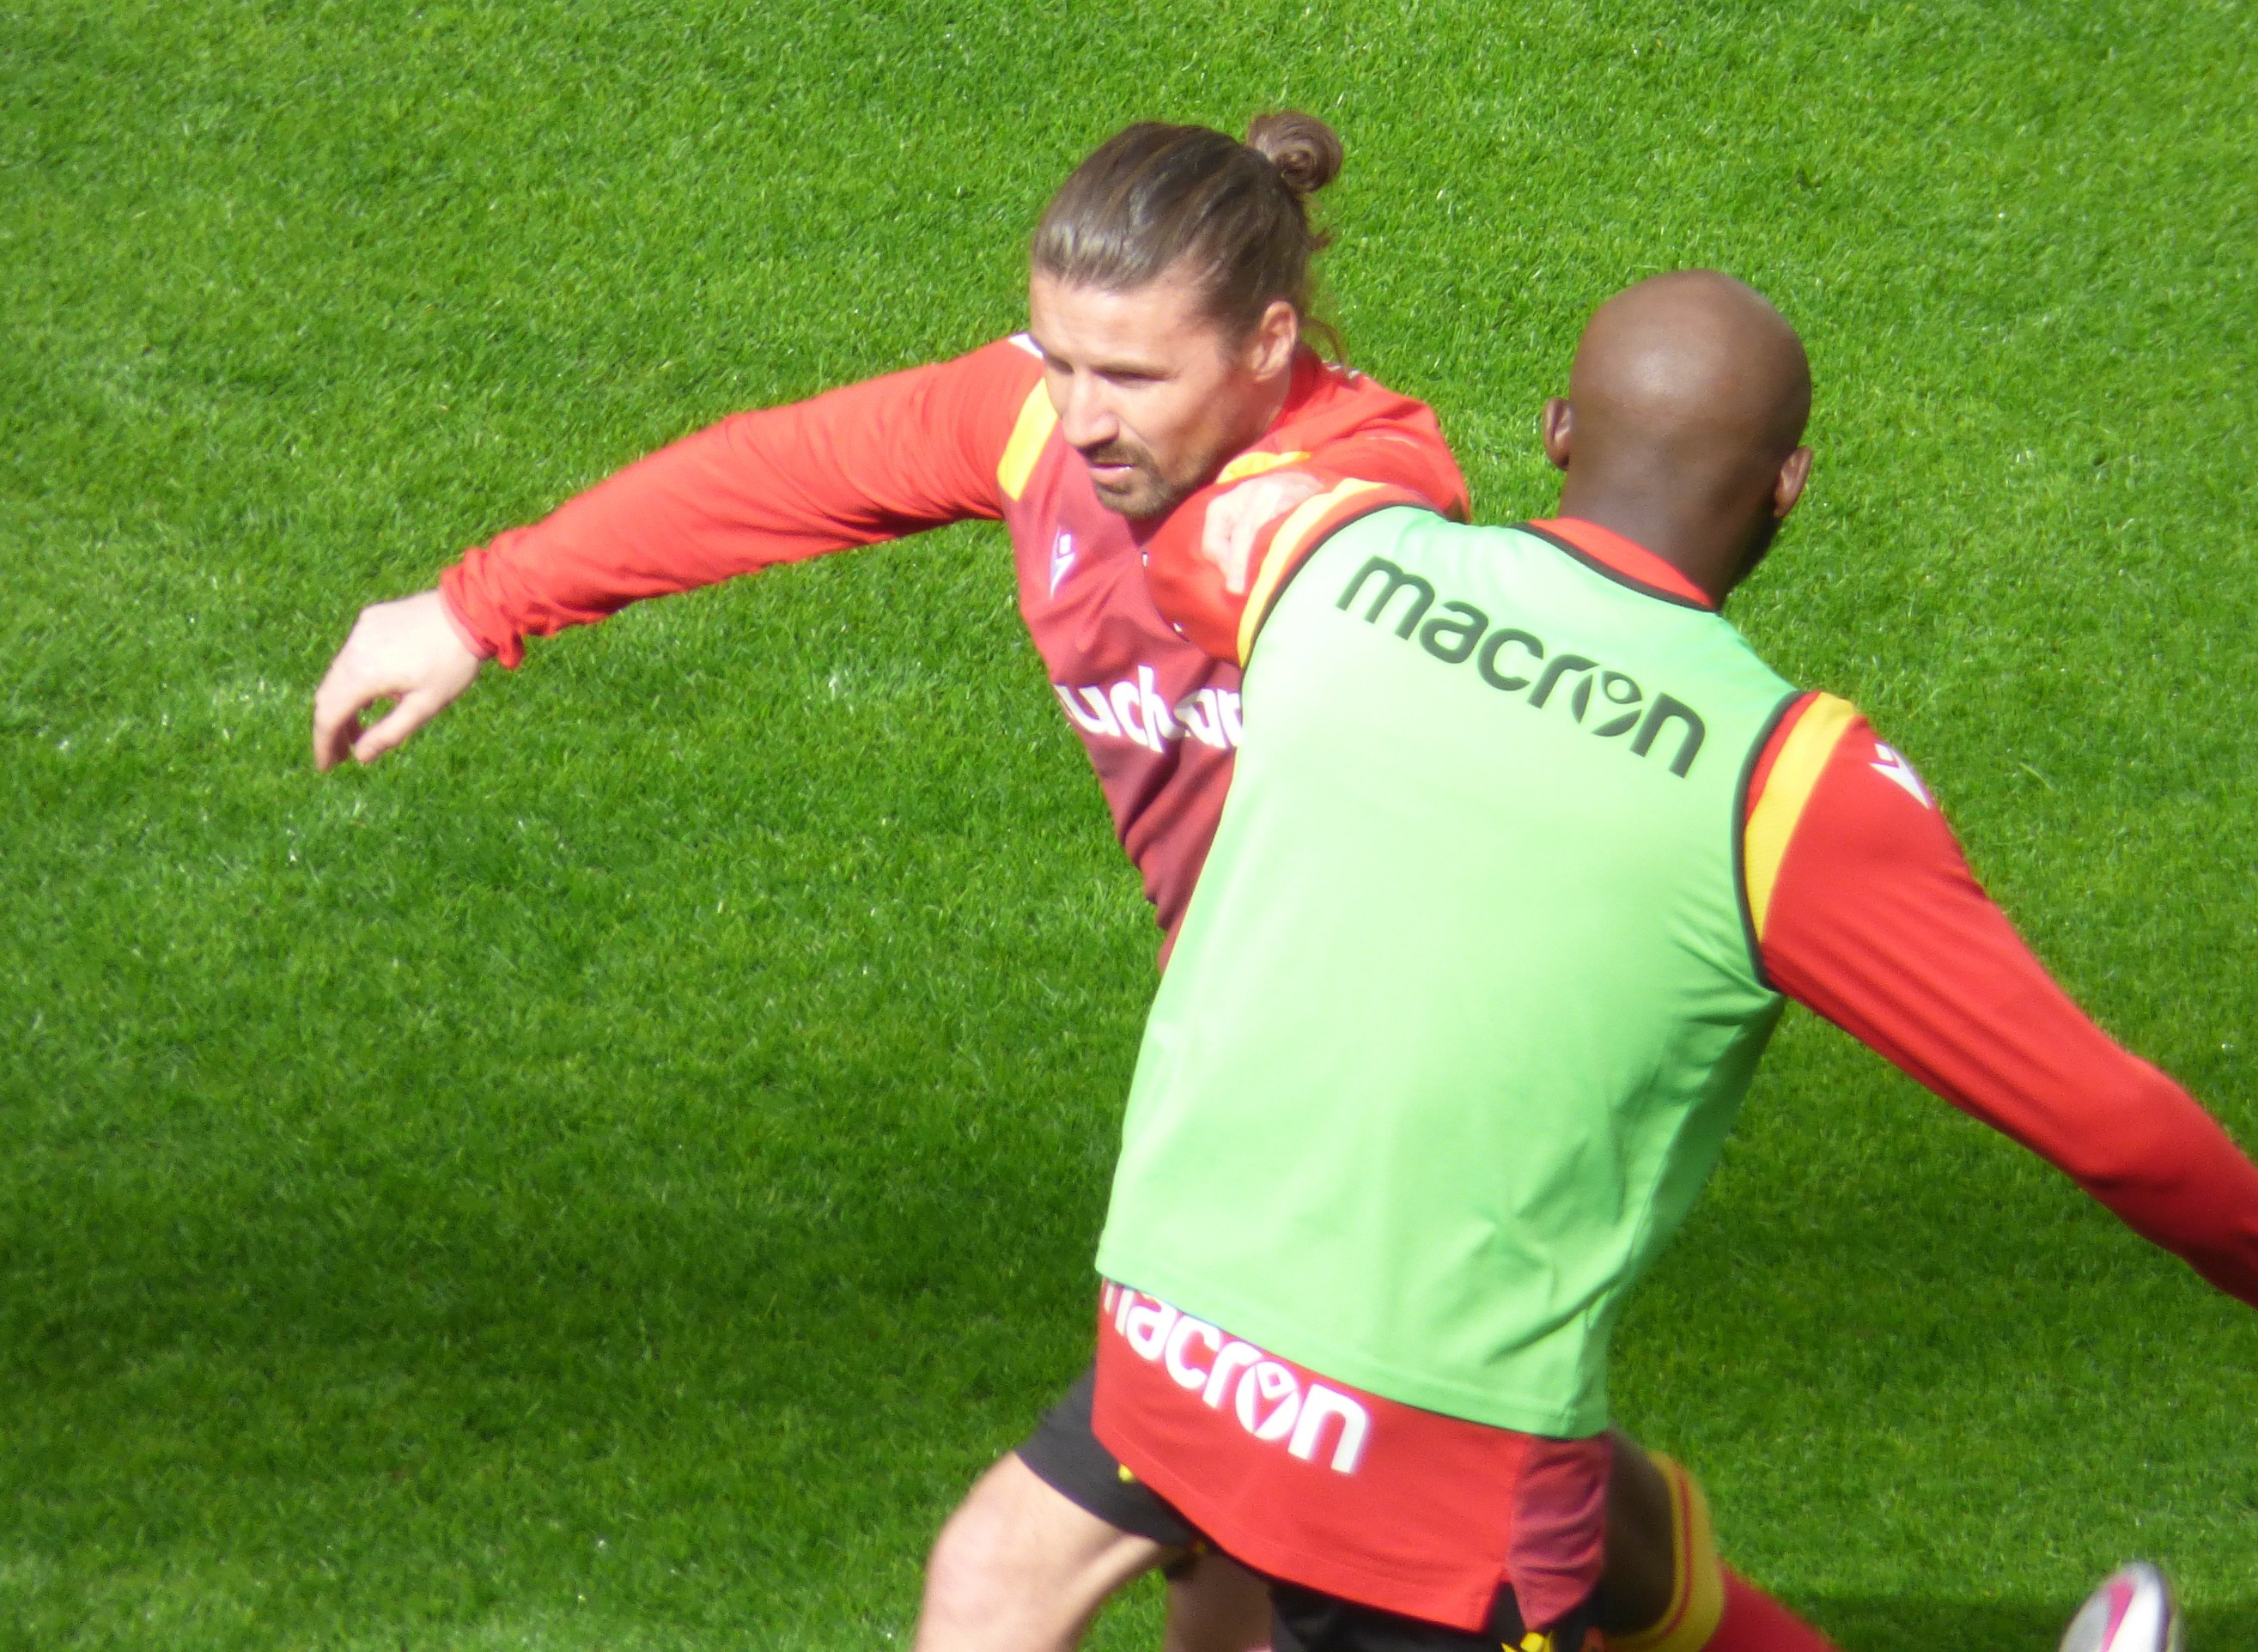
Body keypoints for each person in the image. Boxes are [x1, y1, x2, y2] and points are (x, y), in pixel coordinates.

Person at [311, 115, 1793, 1652]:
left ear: (1268, 344)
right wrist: (474, 610)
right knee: (1231, 1555)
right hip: (1244, 1094)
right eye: (1055, 358)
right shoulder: (1043, 422)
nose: (1077, 416)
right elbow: (772, 474)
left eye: (1130, 378)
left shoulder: (1372, 497)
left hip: (1374, 1127)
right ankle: (1637, 1547)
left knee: (1041, 1571)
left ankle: (1613, 1548)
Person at [1026, 271, 2258, 1651]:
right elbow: (2102, 1117)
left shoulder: (1317, 557)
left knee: (1614, 1523)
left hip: (1167, 1346)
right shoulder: (1789, 788)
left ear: (1560, 428)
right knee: (1535, 1475)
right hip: (1430, 1468)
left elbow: (1204, 530)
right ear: (1790, 483)